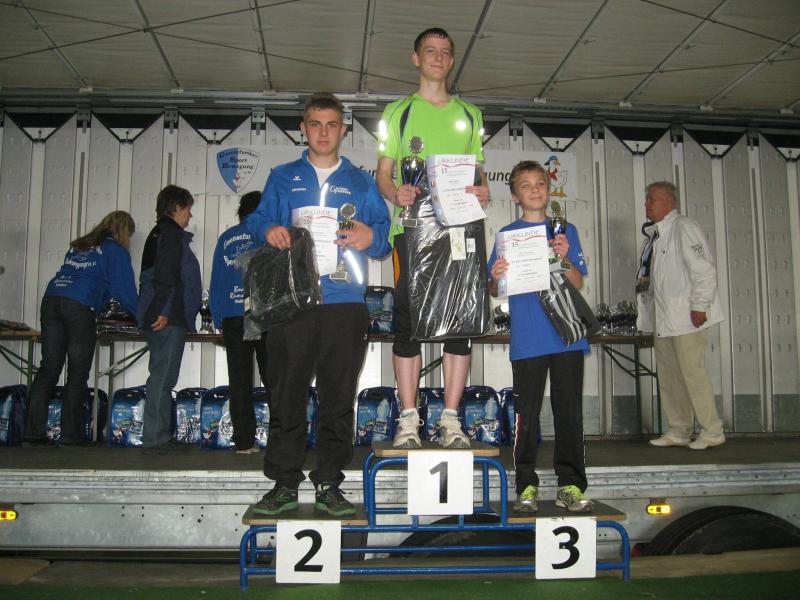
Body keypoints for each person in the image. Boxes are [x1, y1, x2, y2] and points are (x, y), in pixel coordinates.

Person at [247, 92, 391, 516]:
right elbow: (257, 219)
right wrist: (269, 229)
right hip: (292, 301)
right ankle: (284, 484)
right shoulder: (282, 177)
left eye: (331, 125)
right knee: (286, 394)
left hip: (344, 303)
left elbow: (383, 237)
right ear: (303, 129)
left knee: (338, 397)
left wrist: (371, 237)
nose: (323, 132)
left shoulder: (361, 182)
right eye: (315, 124)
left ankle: (329, 482)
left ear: (343, 130)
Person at [376, 27, 491, 449]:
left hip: (459, 229)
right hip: (410, 230)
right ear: (416, 58)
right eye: (430, 50)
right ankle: (408, 421)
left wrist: (484, 191)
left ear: (452, 60)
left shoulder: (471, 115)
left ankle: (450, 420)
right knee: (407, 322)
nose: (438, 57)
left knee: (459, 320)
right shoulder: (397, 112)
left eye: (445, 51)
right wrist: (395, 193)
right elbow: (384, 174)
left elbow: (479, 175)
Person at [488, 160, 592, 513]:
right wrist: (496, 276)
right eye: (526, 185)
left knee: (569, 413)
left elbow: (578, 282)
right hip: (528, 339)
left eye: (540, 184)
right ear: (515, 195)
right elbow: (495, 289)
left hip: (567, 336)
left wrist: (564, 257)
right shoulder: (507, 235)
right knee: (526, 416)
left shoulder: (565, 230)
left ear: (548, 190)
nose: (534, 190)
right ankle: (526, 486)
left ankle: (571, 485)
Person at [24, 211, 138, 447]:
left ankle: (33, 433)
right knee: (77, 372)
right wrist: (142, 318)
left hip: (52, 299)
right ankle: (70, 435)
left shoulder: (80, 246)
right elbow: (125, 291)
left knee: (48, 368)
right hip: (79, 306)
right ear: (124, 232)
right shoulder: (116, 250)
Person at [639, 182, 725, 450]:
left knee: (693, 375)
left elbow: (704, 269)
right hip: (665, 320)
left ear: (667, 202)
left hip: (688, 318)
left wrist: (700, 305)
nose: (646, 205)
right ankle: (679, 430)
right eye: (647, 200)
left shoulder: (684, 227)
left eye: (651, 200)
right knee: (670, 378)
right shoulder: (655, 236)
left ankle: (712, 431)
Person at [137, 185, 202, 449]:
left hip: (163, 312)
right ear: (176, 207)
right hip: (167, 316)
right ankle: (155, 437)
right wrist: (164, 310)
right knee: (163, 378)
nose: (190, 215)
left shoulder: (159, 233)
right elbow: (166, 275)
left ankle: (158, 434)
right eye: (187, 209)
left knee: (161, 377)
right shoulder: (171, 234)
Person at [209, 191, 268, 455]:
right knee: (274, 379)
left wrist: (218, 318)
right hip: (264, 315)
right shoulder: (267, 234)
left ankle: (244, 442)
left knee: (239, 379)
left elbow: (217, 281)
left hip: (233, 316)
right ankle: (281, 439)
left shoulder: (226, 238)